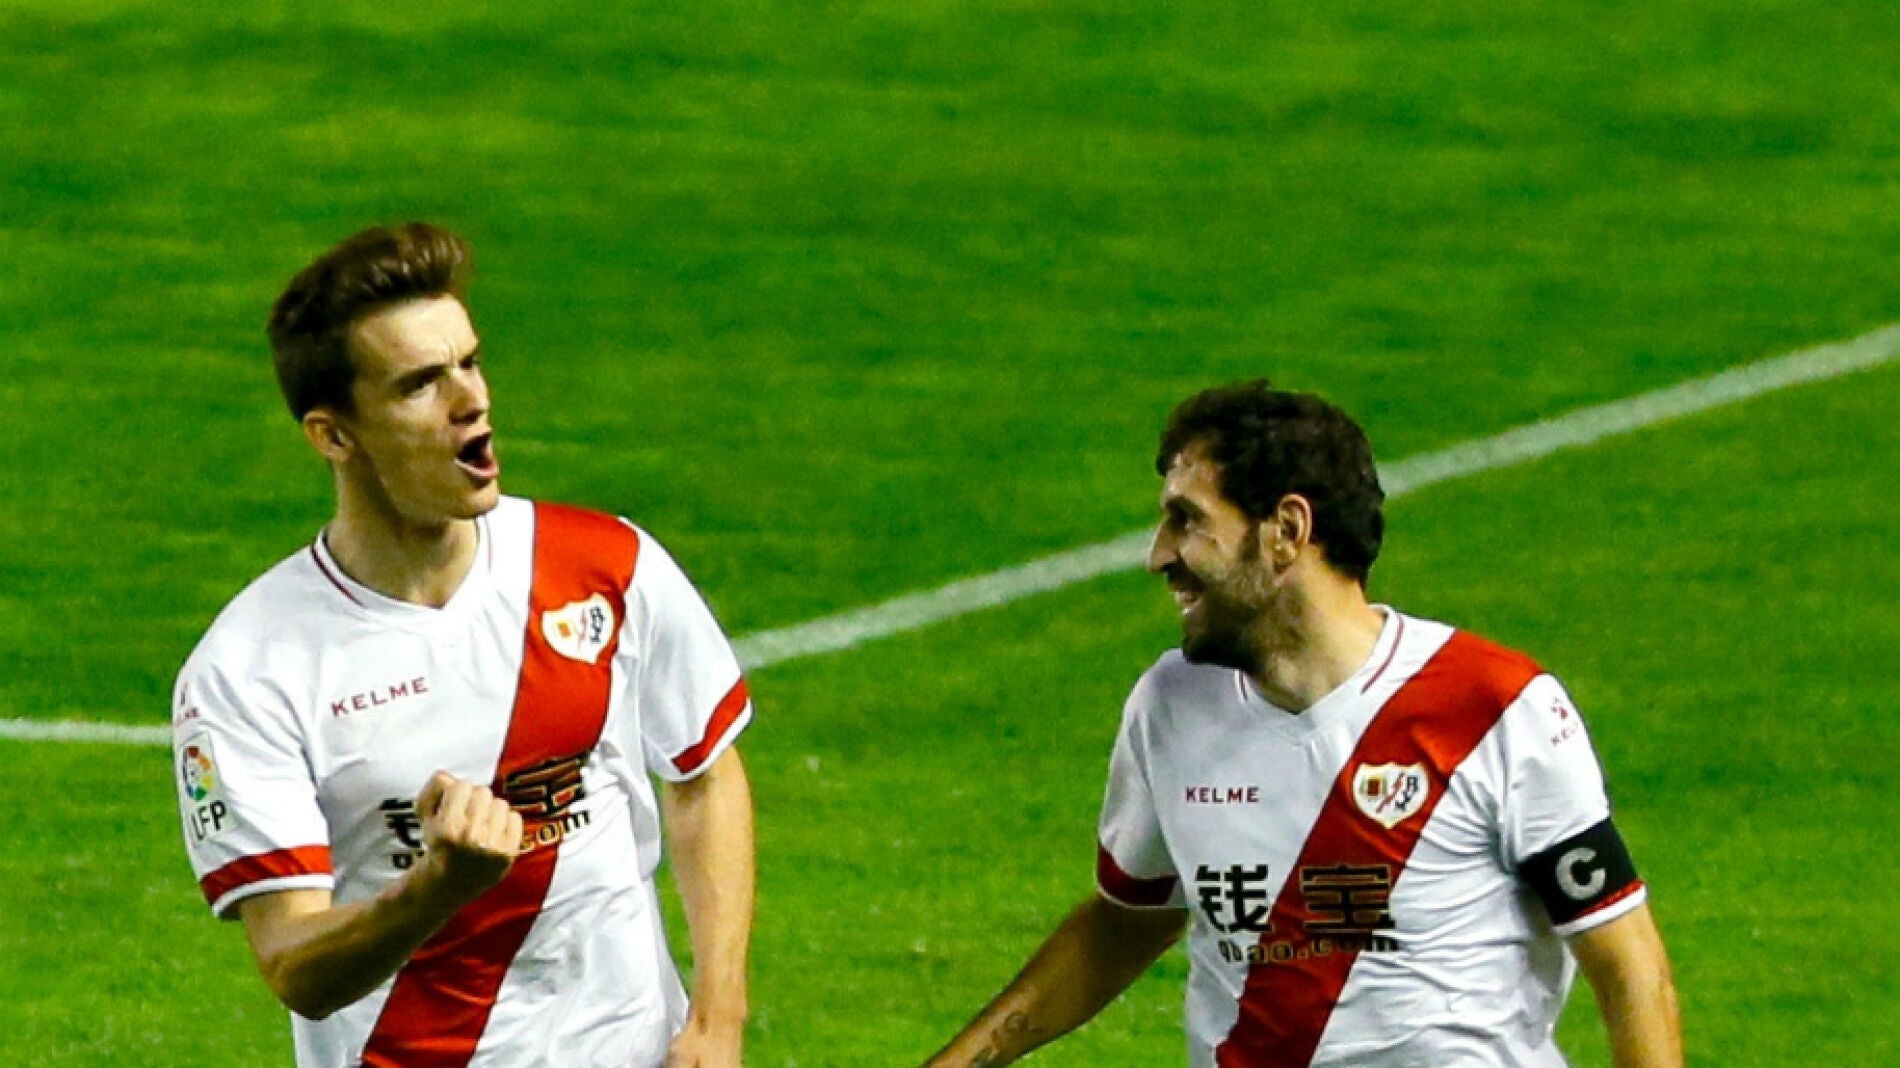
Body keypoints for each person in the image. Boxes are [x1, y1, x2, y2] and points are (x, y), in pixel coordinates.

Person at [924, 381, 1681, 1067]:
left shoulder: (1493, 705)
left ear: (1287, 528)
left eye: (1187, 521)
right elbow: (1127, 921)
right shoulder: (1170, 706)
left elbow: (1628, 964)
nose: (1158, 556)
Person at [170, 223, 754, 1068]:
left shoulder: (602, 566)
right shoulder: (250, 671)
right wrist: (437, 885)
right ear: (334, 435)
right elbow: (295, 965)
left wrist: (718, 1017)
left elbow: (703, 775)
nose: (470, 400)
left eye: (469, 363)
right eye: (420, 384)